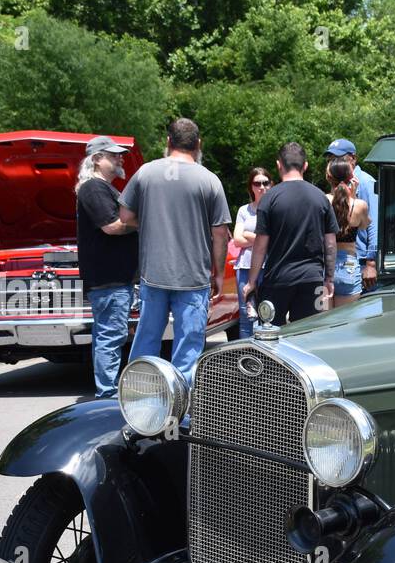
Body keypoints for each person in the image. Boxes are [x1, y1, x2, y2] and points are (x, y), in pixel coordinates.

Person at [118, 118, 230, 386]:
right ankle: (183, 412)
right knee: (188, 350)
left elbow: (124, 215)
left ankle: (141, 401)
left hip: (154, 274)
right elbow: (220, 235)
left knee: (146, 341)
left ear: (168, 142)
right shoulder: (210, 180)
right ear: (198, 145)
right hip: (194, 277)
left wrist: (150, 220)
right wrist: (219, 273)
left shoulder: (146, 172)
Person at [74, 135, 139, 398]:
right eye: (113, 155)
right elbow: (111, 226)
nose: (120, 158)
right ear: (97, 159)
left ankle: (108, 390)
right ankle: (107, 393)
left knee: (112, 334)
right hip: (109, 280)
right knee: (110, 336)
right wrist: (145, 222)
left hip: (116, 280)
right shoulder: (93, 188)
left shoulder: (103, 188)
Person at [248, 142, 338, 325]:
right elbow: (330, 244)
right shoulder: (321, 197)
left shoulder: (269, 199)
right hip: (312, 279)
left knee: (270, 337)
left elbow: (260, 245)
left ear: (278, 165)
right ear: (305, 166)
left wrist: (252, 281)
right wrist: (329, 278)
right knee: (309, 335)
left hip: (277, 280)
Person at [323, 139, 378, 291]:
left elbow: (374, 224)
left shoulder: (366, 182)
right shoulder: (335, 188)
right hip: (334, 261)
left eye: (339, 158)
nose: (334, 162)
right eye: (331, 159)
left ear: (353, 158)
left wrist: (371, 263)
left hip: (359, 261)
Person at [232, 166, 271, 337]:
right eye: (257, 183)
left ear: (271, 184)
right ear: (251, 186)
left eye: (265, 183)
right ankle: (246, 359)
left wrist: (249, 235)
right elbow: (237, 240)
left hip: (268, 267)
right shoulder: (244, 210)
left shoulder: (274, 209)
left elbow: (275, 240)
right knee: (246, 316)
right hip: (245, 268)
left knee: (268, 315)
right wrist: (262, 238)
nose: (261, 187)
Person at [325, 158, 371, 308]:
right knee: (346, 321)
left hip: (325, 265)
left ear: (328, 177)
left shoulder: (324, 200)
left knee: (321, 324)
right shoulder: (359, 205)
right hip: (348, 266)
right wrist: (354, 196)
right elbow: (365, 225)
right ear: (351, 178)